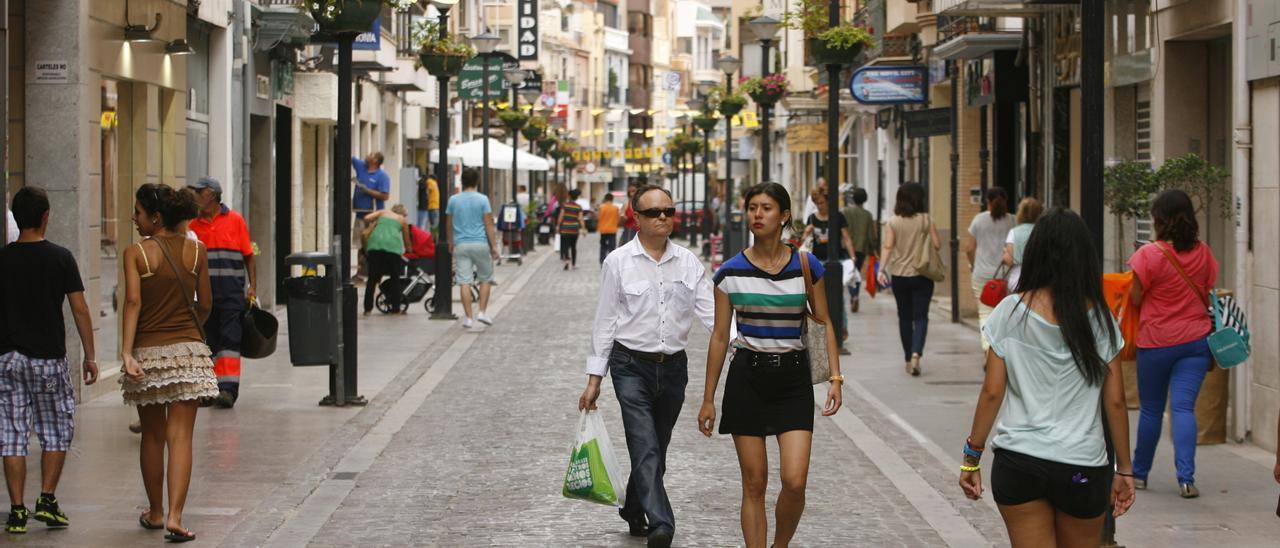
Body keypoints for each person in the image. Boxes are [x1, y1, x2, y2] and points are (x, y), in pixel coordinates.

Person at [959, 208, 1135, 547]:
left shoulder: (1010, 312)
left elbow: (992, 392)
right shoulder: (1099, 318)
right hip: (1082, 463)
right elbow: (1115, 400)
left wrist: (971, 460)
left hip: (1019, 460)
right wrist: (1124, 469)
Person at [698, 182, 843, 548]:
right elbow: (719, 336)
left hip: (792, 381)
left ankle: (780, 544)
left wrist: (835, 378)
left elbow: (824, 323)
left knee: (794, 481)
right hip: (747, 378)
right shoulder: (729, 273)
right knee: (755, 482)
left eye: (766, 208)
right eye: (752, 208)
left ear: (784, 216)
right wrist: (708, 397)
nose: (757, 215)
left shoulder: (806, 265)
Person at [578, 184, 714, 548]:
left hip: (673, 368)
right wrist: (595, 379)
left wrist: (740, 345)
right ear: (636, 218)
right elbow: (605, 321)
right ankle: (662, 524)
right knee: (645, 444)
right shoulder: (618, 262)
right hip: (630, 366)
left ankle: (634, 507)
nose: (664, 218)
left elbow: (713, 314)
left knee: (658, 445)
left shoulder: (688, 262)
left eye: (669, 211)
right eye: (654, 212)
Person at [120, 184, 220, 543]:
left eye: (138, 212)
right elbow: (206, 304)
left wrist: (127, 352)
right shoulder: (197, 251)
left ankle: (156, 511)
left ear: (155, 217)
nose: (134, 218)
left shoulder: (137, 254)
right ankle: (177, 516)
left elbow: (132, 303)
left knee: (152, 434)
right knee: (182, 438)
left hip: (148, 351)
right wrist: (189, 332)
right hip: (189, 352)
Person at [0, 187, 98, 534]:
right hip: (47, 360)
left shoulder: (3, 258)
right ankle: (46, 498)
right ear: (45, 217)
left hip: (8, 359)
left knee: (11, 435)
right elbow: (80, 308)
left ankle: (16, 511)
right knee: (56, 431)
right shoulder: (60, 257)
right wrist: (90, 355)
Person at [1128, 189, 1219, 498]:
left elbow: (1136, 297)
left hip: (1155, 342)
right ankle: (1186, 479)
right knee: (1183, 408)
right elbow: (1208, 290)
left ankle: (1139, 475)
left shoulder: (1148, 255)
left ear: (1159, 220)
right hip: (1195, 341)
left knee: (1152, 409)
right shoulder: (1203, 251)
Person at [186, 177, 255, 409]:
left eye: (199, 191)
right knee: (207, 342)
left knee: (230, 342)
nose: (195, 196)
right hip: (203, 296)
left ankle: (228, 390)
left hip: (231, 294)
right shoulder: (192, 226)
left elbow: (248, 255)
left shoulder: (235, 220)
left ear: (212, 195)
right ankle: (208, 389)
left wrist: (252, 286)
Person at [877, 182, 941, 377]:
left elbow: (888, 247)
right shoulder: (926, 220)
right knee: (921, 317)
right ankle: (916, 354)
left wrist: (881, 270)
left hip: (900, 276)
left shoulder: (893, 222)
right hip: (922, 275)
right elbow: (937, 245)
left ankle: (907, 359)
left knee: (904, 317)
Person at [801, 190, 856, 355]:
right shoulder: (812, 218)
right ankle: (818, 331)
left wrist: (852, 256)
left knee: (838, 296)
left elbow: (846, 237)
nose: (820, 206)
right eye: (817, 203)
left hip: (835, 260)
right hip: (816, 261)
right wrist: (807, 232)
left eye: (822, 203)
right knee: (816, 298)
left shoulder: (838, 217)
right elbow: (805, 240)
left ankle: (842, 328)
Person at [445, 168, 500, 329]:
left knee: (464, 281)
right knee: (485, 278)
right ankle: (482, 312)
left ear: (462, 181)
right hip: (480, 244)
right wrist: (494, 246)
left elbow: (449, 223)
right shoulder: (483, 199)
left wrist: (450, 241)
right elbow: (488, 224)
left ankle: (468, 318)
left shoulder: (453, 200)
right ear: (477, 182)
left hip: (461, 245)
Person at [965, 187, 1016, 351]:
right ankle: (1001, 350)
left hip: (981, 275)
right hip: (1007, 276)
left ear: (987, 202)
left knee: (985, 313)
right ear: (1006, 201)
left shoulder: (978, 220)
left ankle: (988, 348)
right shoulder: (1013, 221)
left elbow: (969, 248)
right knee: (1005, 315)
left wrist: (973, 265)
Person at [361, 205, 413, 316]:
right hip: (392, 248)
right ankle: (395, 309)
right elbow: (407, 241)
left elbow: (366, 218)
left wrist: (370, 226)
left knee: (372, 279)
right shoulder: (402, 220)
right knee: (395, 279)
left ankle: (367, 309)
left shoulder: (383, 212)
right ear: (403, 214)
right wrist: (410, 250)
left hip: (374, 245)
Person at [352, 153, 392, 280]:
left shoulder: (382, 176)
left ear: (376, 161)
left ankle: (373, 274)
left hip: (374, 216)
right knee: (360, 245)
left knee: (372, 245)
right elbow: (349, 157)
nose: (368, 155)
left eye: (371, 155)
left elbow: (385, 196)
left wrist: (367, 190)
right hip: (360, 214)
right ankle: (360, 274)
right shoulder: (361, 166)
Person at [841, 187, 877, 313]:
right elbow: (871, 235)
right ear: (865, 199)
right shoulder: (867, 215)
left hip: (845, 247)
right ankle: (855, 295)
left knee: (850, 272)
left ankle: (853, 296)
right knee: (857, 272)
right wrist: (873, 248)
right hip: (861, 248)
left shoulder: (844, 211)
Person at [1001, 197, 1043, 291]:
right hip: (1040, 280)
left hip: (1018, 280)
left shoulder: (1014, 232)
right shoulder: (1044, 231)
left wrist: (1005, 253)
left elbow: (1009, 260)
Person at [558, 189, 584, 270]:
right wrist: (583, 228)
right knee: (573, 246)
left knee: (565, 246)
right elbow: (580, 218)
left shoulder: (565, 205)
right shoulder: (578, 207)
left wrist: (558, 225)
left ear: (569, 196)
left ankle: (567, 260)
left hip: (565, 228)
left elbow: (561, 216)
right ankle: (573, 265)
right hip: (574, 229)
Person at [597, 193, 620, 263]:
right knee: (612, 247)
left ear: (605, 199)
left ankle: (602, 261)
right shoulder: (615, 208)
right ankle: (611, 261)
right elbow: (618, 218)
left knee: (603, 247)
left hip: (603, 230)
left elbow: (598, 217)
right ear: (612, 199)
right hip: (612, 230)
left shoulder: (601, 207)